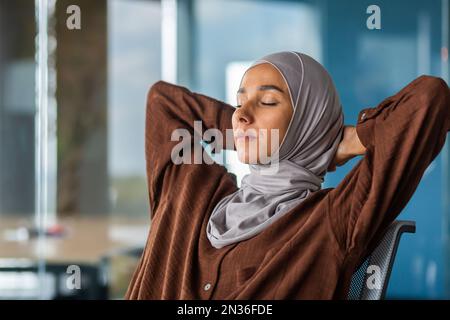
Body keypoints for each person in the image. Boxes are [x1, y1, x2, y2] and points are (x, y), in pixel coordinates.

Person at [125, 51, 450, 299]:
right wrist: (249, 133)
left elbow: (428, 100)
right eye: (240, 103)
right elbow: (162, 103)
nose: (241, 114)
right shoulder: (192, 194)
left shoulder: (331, 221)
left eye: (266, 101)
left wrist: (348, 138)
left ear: (307, 123)